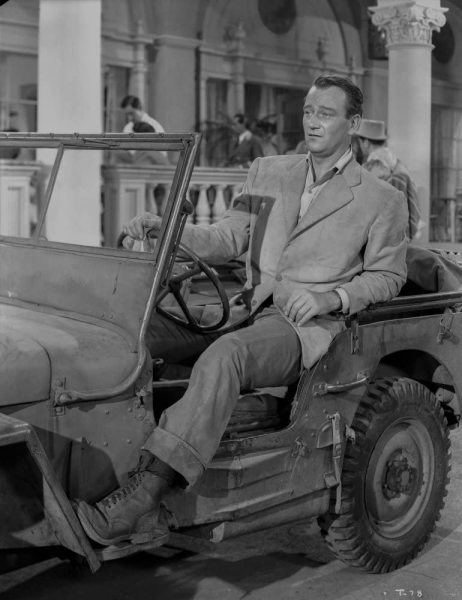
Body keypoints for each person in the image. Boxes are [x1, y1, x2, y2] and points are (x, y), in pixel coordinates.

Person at [75, 75, 408, 547]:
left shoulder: (381, 198)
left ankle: (146, 493)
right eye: (308, 111)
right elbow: (228, 237)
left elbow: (389, 275)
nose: (313, 122)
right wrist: (166, 230)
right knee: (132, 333)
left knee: (226, 356)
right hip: (240, 306)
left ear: (353, 124)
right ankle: (101, 464)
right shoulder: (268, 170)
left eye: (326, 114)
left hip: (302, 324)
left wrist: (331, 298)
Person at [355, 119, 424, 241]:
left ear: (365, 142)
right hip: (402, 237)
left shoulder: (370, 168)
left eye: (360, 142)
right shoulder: (400, 166)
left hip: (379, 239)